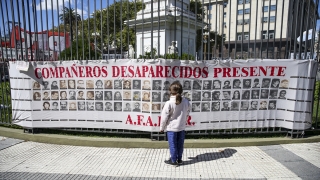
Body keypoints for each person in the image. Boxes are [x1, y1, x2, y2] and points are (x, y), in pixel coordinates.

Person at [159, 81, 190, 166]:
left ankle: (173, 160)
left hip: (172, 127)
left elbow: (164, 116)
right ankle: (179, 159)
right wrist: (184, 120)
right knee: (180, 144)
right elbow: (187, 112)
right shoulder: (186, 101)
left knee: (173, 144)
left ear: (170, 91)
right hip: (181, 126)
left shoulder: (169, 103)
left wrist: (162, 127)